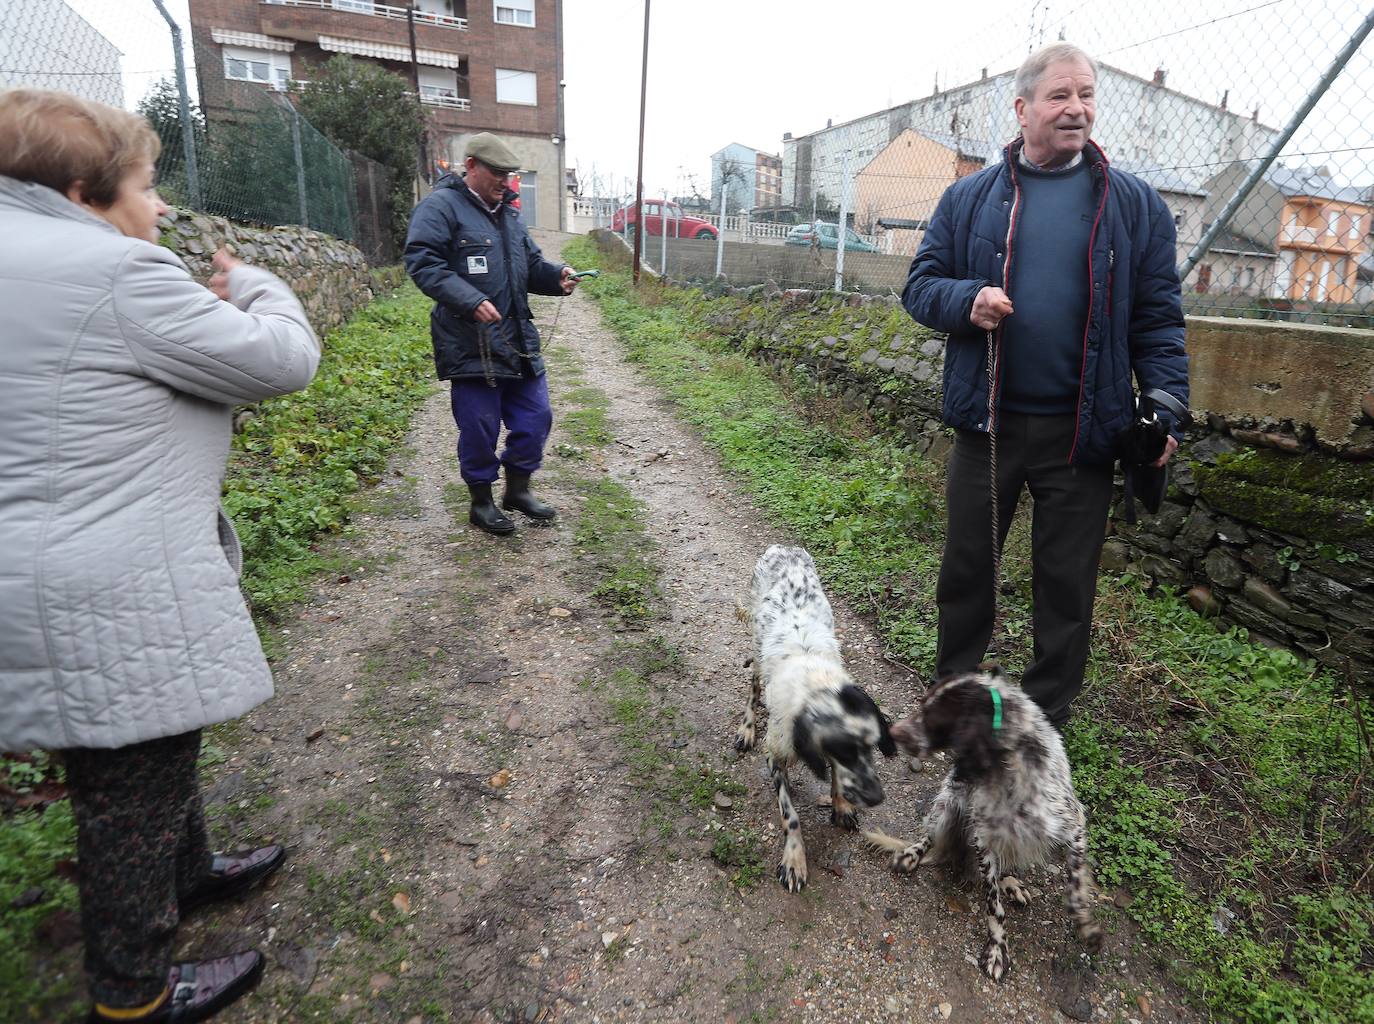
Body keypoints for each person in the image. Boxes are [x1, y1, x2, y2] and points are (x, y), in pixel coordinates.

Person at [0, 89, 321, 1022]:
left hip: (46, 560)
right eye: (147, 182)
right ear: (82, 187)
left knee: (145, 740)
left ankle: (189, 870)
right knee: (129, 775)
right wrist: (258, 283)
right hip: (104, 575)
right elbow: (278, 362)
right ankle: (135, 991)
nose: (165, 206)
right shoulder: (112, 273)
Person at [903, 44, 1189, 730]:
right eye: (1061, 95)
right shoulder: (969, 199)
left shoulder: (1135, 206)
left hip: (1082, 434)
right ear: (1024, 107)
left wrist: (1167, 406)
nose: (1078, 108)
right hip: (989, 427)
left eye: (1087, 95)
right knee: (968, 572)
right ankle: (956, 702)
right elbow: (919, 287)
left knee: (1066, 589)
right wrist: (966, 300)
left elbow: (1159, 317)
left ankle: (1043, 724)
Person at [404, 132, 579, 536]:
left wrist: (558, 277)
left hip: (517, 340)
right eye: (498, 173)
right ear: (471, 167)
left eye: (510, 174)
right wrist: (467, 299)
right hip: (471, 344)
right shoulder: (441, 208)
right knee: (480, 427)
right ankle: (481, 502)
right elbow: (423, 262)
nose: (506, 181)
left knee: (537, 417)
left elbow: (531, 264)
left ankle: (518, 490)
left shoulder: (511, 216)